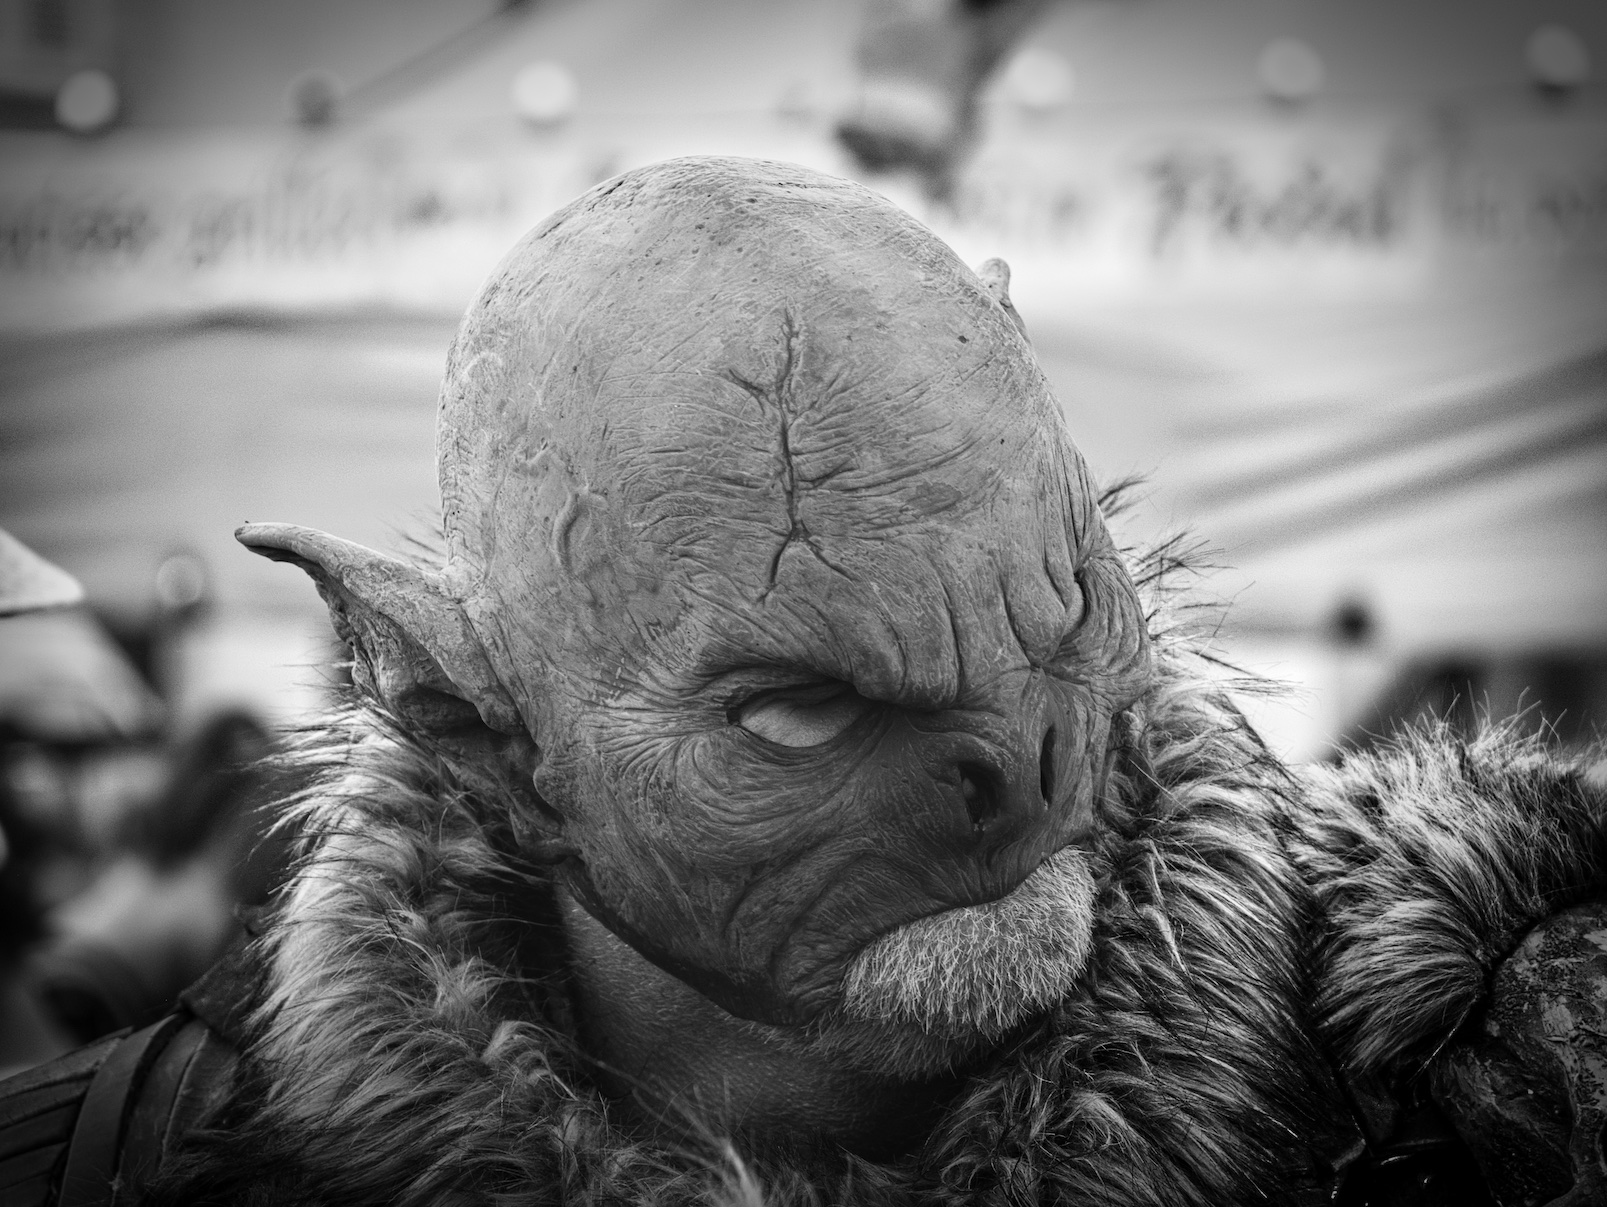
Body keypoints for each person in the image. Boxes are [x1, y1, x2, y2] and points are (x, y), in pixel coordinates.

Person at [2, 159, 1601, 1207]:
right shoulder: (96, 1168)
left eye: (1059, 611)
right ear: (471, 723)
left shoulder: (1484, 1078)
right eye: (803, 707)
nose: (1021, 758)